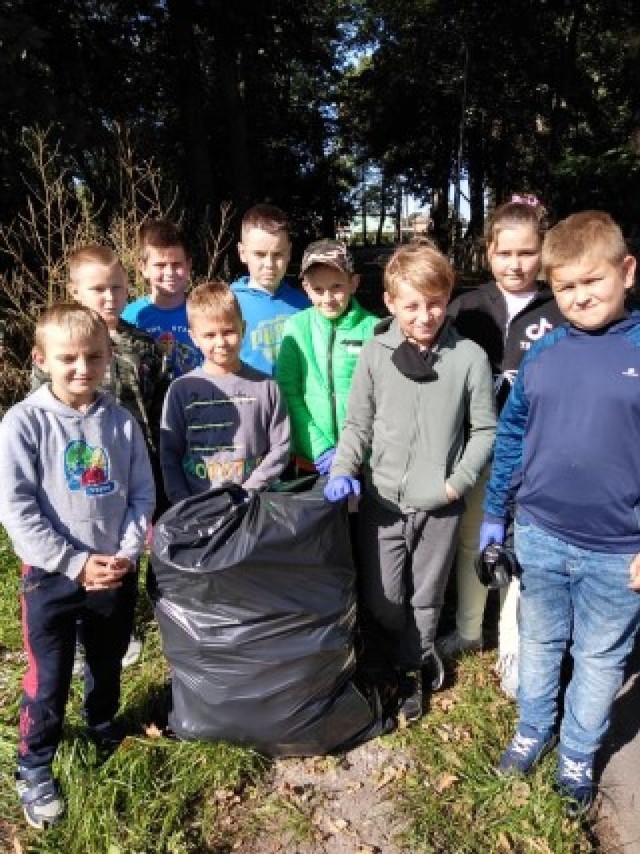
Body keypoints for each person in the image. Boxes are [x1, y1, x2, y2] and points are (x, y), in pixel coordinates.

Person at [483, 211, 640, 814]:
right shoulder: (544, 355)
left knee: (600, 659)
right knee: (541, 642)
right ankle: (532, 730)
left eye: (592, 281)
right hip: (542, 535)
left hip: (617, 551)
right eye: (565, 286)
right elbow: (513, 435)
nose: (579, 297)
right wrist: (497, 513)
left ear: (626, 272)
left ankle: (578, 753)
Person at [324, 242, 496, 722]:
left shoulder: (469, 358)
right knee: (384, 598)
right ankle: (383, 657)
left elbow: (485, 430)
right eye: (413, 305)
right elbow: (358, 424)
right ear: (391, 302)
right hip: (383, 501)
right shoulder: (376, 354)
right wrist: (343, 469)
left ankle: (414, 668)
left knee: (426, 597)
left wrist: (456, 483)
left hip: (440, 504)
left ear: (448, 298)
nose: (425, 315)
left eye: (435, 302)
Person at [0, 305, 155, 830]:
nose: (82, 368)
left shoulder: (120, 421)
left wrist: (127, 553)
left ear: (109, 357)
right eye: (67, 358)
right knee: (49, 676)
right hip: (51, 578)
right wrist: (72, 562)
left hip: (113, 571)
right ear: (42, 359)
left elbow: (140, 492)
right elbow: (17, 510)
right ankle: (35, 764)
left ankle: (102, 722)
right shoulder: (24, 423)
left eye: (93, 356)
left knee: (107, 659)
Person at [437, 195, 564, 697]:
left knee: (522, 548)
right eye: (505, 253)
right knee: (475, 539)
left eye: (527, 253)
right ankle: (469, 629)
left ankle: (514, 649)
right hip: (476, 450)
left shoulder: (559, 309)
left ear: (543, 253)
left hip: (537, 456)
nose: (515, 264)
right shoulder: (464, 309)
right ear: (488, 251)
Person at [32, 245, 169, 669]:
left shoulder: (144, 345)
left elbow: (159, 403)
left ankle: (126, 624)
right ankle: (75, 633)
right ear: (75, 291)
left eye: (118, 288)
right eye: (98, 289)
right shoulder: (58, 347)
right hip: (77, 474)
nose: (109, 297)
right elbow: (40, 411)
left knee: (131, 545)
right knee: (82, 546)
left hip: (137, 465)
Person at [160, 280, 290, 502]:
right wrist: (183, 503)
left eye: (229, 332)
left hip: (253, 507)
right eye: (210, 335)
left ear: (243, 328)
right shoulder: (181, 390)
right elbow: (170, 454)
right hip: (198, 508)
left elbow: (281, 447)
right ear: (194, 338)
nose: (221, 342)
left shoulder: (267, 387)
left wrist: (248, 491)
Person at [275, 239, 378, 475]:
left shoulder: (375, 329)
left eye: (337, 287)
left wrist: (354, 453)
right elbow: (287, 391)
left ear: (354, 283)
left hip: (363, 462)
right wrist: (320, 448)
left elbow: (381, 398)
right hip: (311, 460)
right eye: (318, 290)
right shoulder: (297, 327)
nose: (328, 298)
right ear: (306, 288)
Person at [231, 203, 309, 375]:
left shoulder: (304, 305)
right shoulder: (229, 303)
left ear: (289, 252)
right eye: (259, 254)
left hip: (293, 399)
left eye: (277, 254)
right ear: (242, 253)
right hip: (248, 398)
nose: (269, 264)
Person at [122, 218, 203, 380]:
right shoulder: (130, 316)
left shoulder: (203, 313)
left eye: (176, 264)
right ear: (143, 268)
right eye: (160, 265)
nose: (169, 273)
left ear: (188, 266)